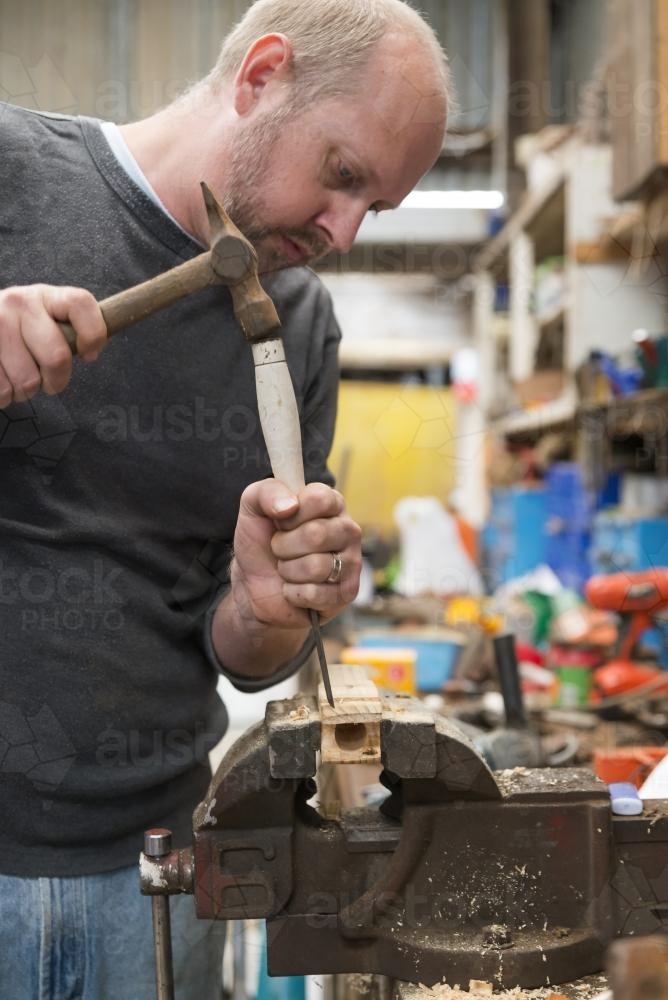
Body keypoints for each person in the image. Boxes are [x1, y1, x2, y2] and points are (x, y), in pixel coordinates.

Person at [0, 0, 451, 995]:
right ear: (260, 77)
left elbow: (244, 656)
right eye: (342, 176)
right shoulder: (11, 173)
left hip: (158, 874)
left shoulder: (298, 325)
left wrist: (261, 605)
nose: (340, 230)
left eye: (372, 207)